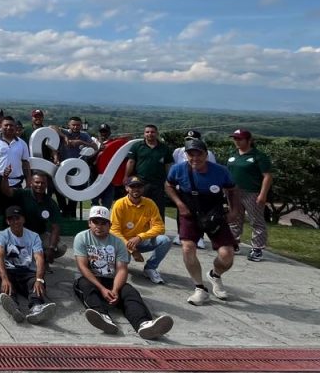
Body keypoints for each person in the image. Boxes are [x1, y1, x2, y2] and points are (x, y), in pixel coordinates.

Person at [73, 206, 174, 340]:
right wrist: (102, 289)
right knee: (86, 287)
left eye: (103, 223)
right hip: (89, 278)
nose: (99, 226)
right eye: (95, 222)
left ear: (110, 225)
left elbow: (122, 269)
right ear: (89, 223)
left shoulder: (118, 242)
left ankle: (144, 324)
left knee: (130, 292)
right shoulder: (81, 237)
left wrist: (115, 290)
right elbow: (82, 267)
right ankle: (103, 316)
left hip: (111, 279)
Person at [166, 139, 239, 306]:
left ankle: (215, 275)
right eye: (191, 154)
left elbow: (232, 190)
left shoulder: (220, 171)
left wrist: (234, 210)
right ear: (186, 155)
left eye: (199, 154)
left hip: (214, 212)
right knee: (187, 247)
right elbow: (168, 185)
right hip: (189, 212)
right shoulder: (178, 169)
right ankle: (200, 288)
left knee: (227, 255)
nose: (195, 158)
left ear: (206, 155)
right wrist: (179, 204)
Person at [0, 206, 56, 325]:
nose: (15, 221)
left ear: (23, 219)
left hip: (27, 272)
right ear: (7, 221)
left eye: (17, 218)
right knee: (1, 281)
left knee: (37, 285)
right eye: (11, 219)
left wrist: (39, 279)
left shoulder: (34, 236)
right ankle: (13, 307)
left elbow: (39, 258)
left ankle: (36, 308)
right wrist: (4, 279)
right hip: (9, 271)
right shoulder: (2, 235)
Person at [0, 117, 30, 255]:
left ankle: (8, 245)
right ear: (1, 126)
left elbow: (26, 163)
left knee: (11, 216)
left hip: (14, 185)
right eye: (6, 125)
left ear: (16, 127)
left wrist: (29, 181)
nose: (9, 128)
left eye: (11, 126)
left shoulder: (21, 144)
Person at [110, 178, 170, 284]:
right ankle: (118, 263)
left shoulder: (150, 203)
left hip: (141, 241)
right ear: (127, 188)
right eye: (132, 186)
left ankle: (150, 268)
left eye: (139, 186)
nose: (136, 189)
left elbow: (160, 227)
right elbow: (114, 231)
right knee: (122, 267)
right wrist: (132, 250)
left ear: (143, 188)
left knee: (165, 240)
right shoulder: (119, 204)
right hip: (123, 243)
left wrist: (140, 237)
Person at [226, 129, 273, 262]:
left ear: (249, 140)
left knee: (256, 220)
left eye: (240, 139)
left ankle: (257, 248)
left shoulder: (258, 156)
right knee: (234, 218)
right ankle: (233, 243)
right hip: (233, 192)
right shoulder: (233, 155)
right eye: (235, 139)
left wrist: (263, 194)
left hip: (252, 192)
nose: (237, 141)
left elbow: (267, 176)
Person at [6, 172, 65, 264]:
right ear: (31, 182)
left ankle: (42, 260)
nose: (40, 185)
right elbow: (7, 191)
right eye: (37, 182)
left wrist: (51, 248)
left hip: (39, 235)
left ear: (47, 184)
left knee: (61, 247)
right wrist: (4, 177)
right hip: (20, 233)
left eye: (43, 183)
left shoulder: (51, 203)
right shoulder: (22, 193)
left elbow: (55, 227)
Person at [124, 124, 172, 220]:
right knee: (139, 207)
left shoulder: (164, 148)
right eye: (147, 132)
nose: (150, 134)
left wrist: (169, 180)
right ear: (144, 134)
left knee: (158, 209)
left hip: (158, 184)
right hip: (141, 183)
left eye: (152, 132)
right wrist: (126, 176)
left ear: (157, 133)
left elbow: (168, 165)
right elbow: (131, 162)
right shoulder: (137, 146)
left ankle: (158, 229)